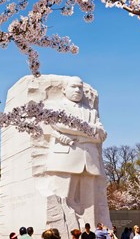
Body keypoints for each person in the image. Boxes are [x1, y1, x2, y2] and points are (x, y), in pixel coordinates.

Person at [44, 76, 108, 223]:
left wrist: (81, 134)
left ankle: (89, 228)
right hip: (65, 158)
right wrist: (89, 133)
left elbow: (101, 135)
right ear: (64, 89)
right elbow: (61, 125)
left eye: (80, 87)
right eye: (73, 87)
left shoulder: (92, 112)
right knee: (62, 197)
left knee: (89, 202)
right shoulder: (56, 106)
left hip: (89, 160)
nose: (78, 90)